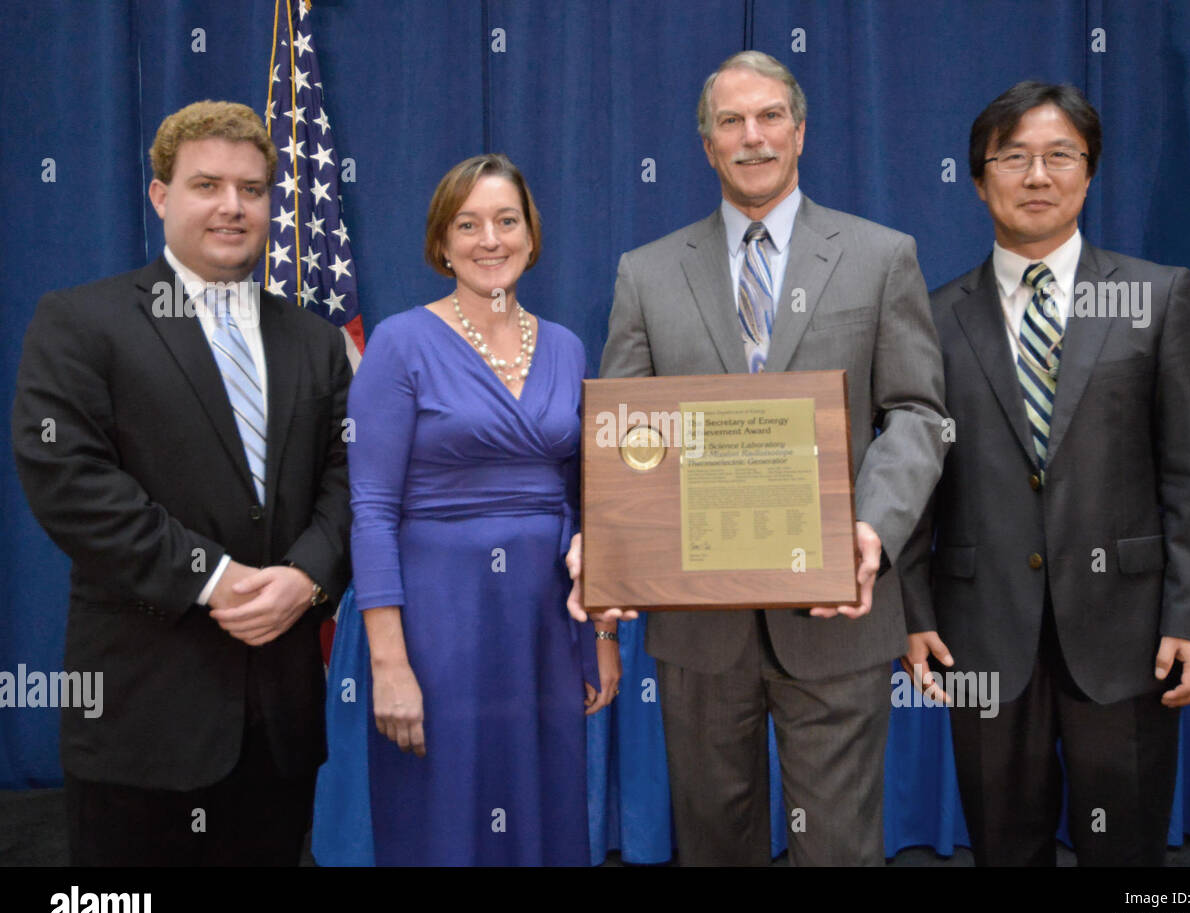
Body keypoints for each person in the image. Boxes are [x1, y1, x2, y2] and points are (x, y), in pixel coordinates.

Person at [567, 51, 948, 866]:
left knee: (841, 848)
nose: (753, 137)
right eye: (730, 122)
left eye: (770, 116)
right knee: (711, 846)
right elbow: (625, 436)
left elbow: (916, 413)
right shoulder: (648, 271)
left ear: (800, 132)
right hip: (698, 625)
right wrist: (615, 548)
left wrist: (873, 526)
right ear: (706, 145)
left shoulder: (882, 256)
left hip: (836, 610)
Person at [898, 81, 1190, 866]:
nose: (1037, 176)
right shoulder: (932, 315)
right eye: (1013, 158)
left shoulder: (1156, 295)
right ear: (980, 180)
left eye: (1059, 156)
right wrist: (909, 614)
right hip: (979, 631)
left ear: (1089, 172)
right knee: (1002, 845)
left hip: (1132, 633)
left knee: (1128, 848)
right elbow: (912, 478)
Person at [10, 100, 352, 865]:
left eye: (253, 189)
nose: (233, 206)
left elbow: (350, 478)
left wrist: (307, 576)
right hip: (142, 723)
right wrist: (216, 579)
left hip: (280, 723)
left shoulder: (315, 341)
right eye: (207, 185)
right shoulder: (80, 321)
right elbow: (69, 479)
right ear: (161, 195)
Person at [345, 154, 620, 866]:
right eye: (467, 225)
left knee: (545, 806)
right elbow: (371, 509)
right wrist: (389, 664)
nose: (489, 240)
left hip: (544, 623)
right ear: (441, 243)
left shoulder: (565, 345)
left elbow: (585, 498)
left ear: (532, 236)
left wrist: (603, 634)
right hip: (438, 625)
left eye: (506, 221)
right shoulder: (401, 344)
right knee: (443, 812)